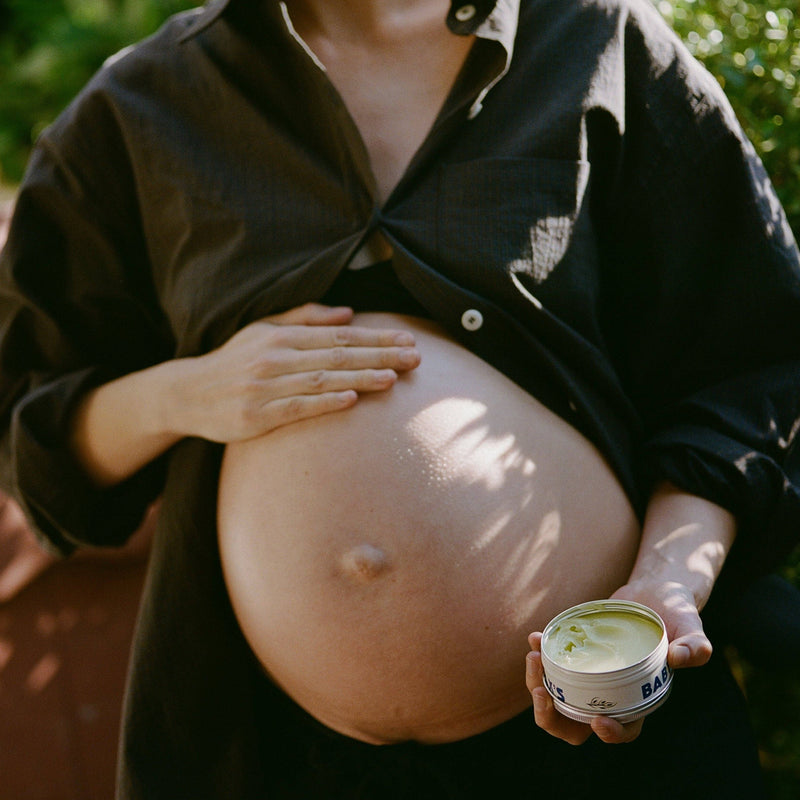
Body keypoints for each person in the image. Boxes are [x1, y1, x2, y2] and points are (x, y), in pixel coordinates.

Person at [0, 0, 798, 797]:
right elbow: (30, 432)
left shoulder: (598, 43)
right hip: (262, 752)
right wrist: (189, 391)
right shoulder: (144, 103)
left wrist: (664, 585)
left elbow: (751, 368)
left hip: (599, 745)